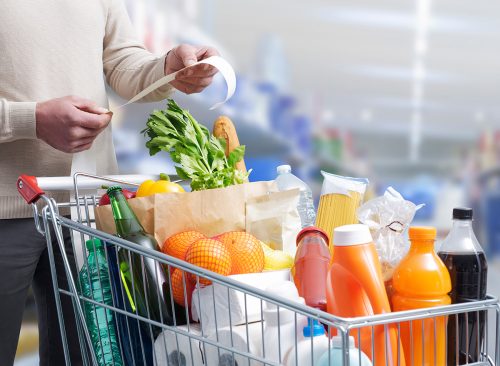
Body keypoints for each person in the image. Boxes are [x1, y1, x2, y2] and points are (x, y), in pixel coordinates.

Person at [0, 1, 219, 365]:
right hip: (4, 211)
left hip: (84, 208)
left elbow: (121, 61)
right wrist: (31, 120)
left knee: (86, 356)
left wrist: (167, 68)